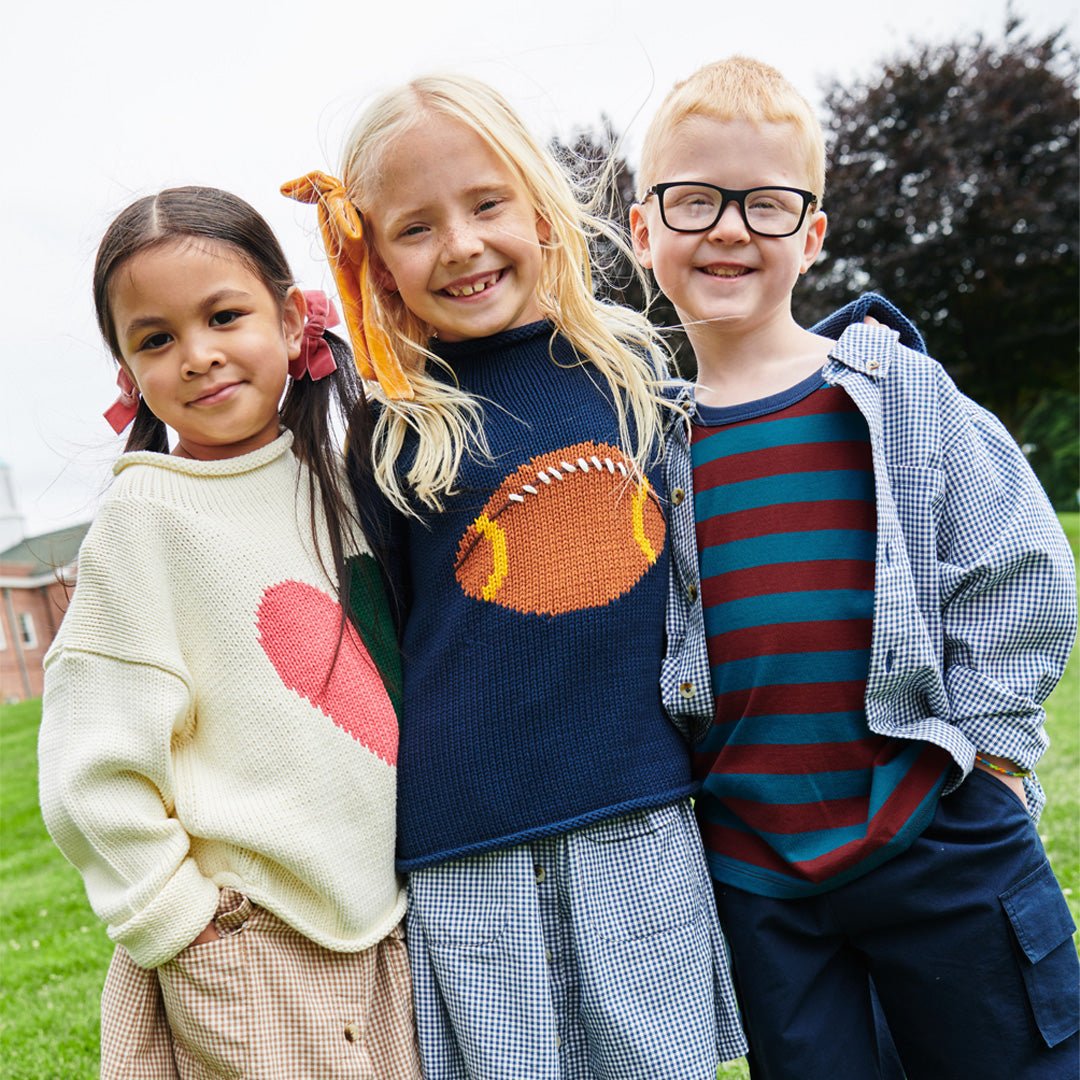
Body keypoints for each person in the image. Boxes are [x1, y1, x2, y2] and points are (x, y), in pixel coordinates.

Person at [283, 73, 748, 1079]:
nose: (459, 244)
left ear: (539, 207)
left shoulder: (636, 382)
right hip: (468, 848)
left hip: (637, 815)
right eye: (415, 227)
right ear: (375, 262)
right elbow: (377, 642)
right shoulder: (388, 437)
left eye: (486, 204)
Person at [631, 55, 1079, 1079]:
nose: (731, 227)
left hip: (931, 829)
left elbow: (1014, 563)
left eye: (768, 203)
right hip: (759, 868)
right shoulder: (648, 440)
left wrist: (998, 754)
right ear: (644, 229)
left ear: (813, 234)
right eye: (695, 200)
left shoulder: (892, 389)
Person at [37, 186, 421, 1080]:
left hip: (380, 927)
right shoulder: (148, 517)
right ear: (129, 373)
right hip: (250, 943)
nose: (199, 355)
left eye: (223, 315)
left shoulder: (343, 480)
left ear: (293, 322)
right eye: (157, 338)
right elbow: (89, 769)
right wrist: (181, 924)